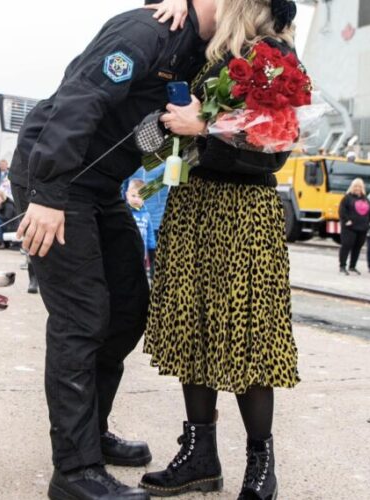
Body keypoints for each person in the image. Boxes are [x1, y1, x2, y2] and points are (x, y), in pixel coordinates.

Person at [8, 0, 205, 497]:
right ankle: (75, 471)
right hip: (58, 181)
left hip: (100, 186)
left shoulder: (198, 49)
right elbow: (81, 99)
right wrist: (47, 194)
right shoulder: (147, 30)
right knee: (82, 317)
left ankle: (90, 434)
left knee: (127, 309)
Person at [140, 3, 302, 499]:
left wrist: (205, 129)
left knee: (247, 337)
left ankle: (261, 463)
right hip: (194, 204)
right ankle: (200, 457)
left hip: (242, 212)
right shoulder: (216, 53)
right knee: (193, 330)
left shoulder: (273, 57)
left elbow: (273, 150)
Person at [338, 178, 370, 275]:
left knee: (358, 247)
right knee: (346, 245)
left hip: (362, 228)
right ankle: (342, 266)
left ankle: (352, 266)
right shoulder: (347, 198)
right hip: (349, 228)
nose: (357, 188)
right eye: (356, 186)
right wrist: (346, 220)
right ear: (352, 187)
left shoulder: (366, 199)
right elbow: (342, 211)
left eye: (359, 186)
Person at [125, 179, 156, 276]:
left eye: (140, 197)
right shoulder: (124, 213)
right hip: (126, 254)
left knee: (140, 276)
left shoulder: (146, 215)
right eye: (133, 196)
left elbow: (150, 234)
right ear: (127, 195)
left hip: (141, 255)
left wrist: (152, 249)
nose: (136, 199)